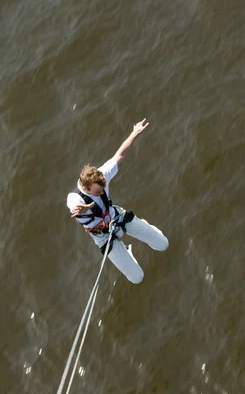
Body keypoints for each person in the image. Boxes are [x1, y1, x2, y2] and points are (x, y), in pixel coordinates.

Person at [67, 118, 169, 284]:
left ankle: (143, 227)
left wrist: (134, 133)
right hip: (103, 236)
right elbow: (75, 207)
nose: (101, 192)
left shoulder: (102, 175)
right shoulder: (74, 197)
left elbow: (119, 155)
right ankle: (127, 252)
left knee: (163, 244)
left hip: (117, 217)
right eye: (98, 191)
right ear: (86, 187)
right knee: (137, 278)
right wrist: (83, 208)